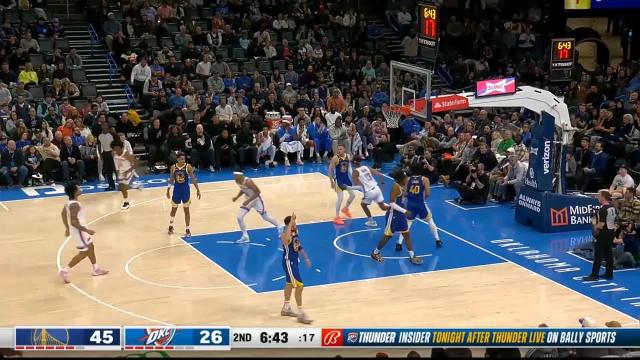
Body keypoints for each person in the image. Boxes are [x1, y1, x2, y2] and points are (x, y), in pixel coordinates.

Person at [58, 181, 109, 284]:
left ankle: (96, 269)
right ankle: (65, 270)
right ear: (75, 191)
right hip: (79, 231)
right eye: (78, 188)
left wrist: (67, 228)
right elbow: (73, 222)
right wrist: (87, 230)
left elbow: (63, 214)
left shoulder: (69, 203)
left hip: (79, 230)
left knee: (91, 246)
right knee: (84, 252)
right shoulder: (75, 205)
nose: (80, 189)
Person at [371, 170, 423, 265]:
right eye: (406, 178)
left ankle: (412, 256)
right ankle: (375, 253)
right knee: (388, 236)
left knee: (406, 235)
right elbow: (391, 203)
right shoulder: (395, 187)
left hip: (400, 215)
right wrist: (405, 211)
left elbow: (402, 197)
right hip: (393, 216)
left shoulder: (402, 186)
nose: (407, 179)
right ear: (401, 179)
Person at [280, 212, 313, 324]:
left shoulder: (295, 233)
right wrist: (290, 224)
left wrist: (306, 257)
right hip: (289, 263)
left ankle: (286, 307)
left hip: (294, 263)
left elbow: (299, 246)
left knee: (289, 284)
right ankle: (300, 313)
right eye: (294, 222)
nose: (296, 223)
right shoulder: (285, 234)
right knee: (300, 286)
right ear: (290, 224)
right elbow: (285, 241)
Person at [396, 172, 443, 251]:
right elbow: (428, 193)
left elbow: (405, 193)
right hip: (421, 204)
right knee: (430, 221)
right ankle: (438, 240)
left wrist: (410, 197)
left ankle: (399, 243)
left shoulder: (408, 179)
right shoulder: (425, 179)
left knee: (408, 223)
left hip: (410, 204)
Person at [232, 172, 283, 243]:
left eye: (236, 175)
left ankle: (280, 227)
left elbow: (258, 192)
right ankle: (245, 236)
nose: (234, 177)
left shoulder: (248, 181)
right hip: (248, 200)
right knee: (239, 217)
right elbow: (242, 189)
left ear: (241, 175)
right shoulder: (237, 181)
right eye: (234, 175)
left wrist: (248, 200)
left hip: (256, 199)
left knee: (265, 217)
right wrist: (236, 197)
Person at [583, 190, 617, 281]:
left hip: (604, 234)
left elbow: (601, 225)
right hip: (611, 232)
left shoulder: (602, 209)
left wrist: (594, 224)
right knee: (608, 253)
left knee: (598, 255)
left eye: (599, 195)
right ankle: (609, 274)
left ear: (603, 197)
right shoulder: (612, 207)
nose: (598, 197)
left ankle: (594, 275)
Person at [167, 152, 201, 237]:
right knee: (174, 209)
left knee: (186, 210)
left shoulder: (188, 166)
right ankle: (170, 226)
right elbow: (171, 179)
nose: (183, 160)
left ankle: (187, 229)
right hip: (176, 191)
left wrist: (198, 189)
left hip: (185, 191)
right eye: (181, 159)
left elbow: (193, 179)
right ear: (177, 159)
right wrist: (168, 190)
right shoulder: (173, 167)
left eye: (184, 159)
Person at [350, 155, 388, 227]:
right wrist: (382, 186)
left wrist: (365, 195)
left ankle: (371, 222)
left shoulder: (355, 172)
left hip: (370, 192)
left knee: (363, 205)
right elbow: (381, 175)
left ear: (354, 163)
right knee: (383, 207)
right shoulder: (366, 167)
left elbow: (360, 186)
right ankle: (397, 210)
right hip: (377, 189)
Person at [327, 144, 356, 225]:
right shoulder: (335, 158)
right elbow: (330, 170)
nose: (339, 150)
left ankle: (345, 209)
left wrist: (353, 176)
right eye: (338, 149)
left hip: (346, 179)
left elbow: (349, 167)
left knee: (353, 195)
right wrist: (331, 180)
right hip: (338, 180)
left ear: (344, 150)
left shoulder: (348, 156)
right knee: (340, 198)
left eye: (340, 149)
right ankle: (336, 217)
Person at [112, 139, 140, 210]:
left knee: (123, 186)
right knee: (120, 188)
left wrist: (128, 171)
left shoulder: (126, 153)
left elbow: (135, 163)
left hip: (129, 170)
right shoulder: (115, 155)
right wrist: (118, 175)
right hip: (122, 171)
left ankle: (126, 203)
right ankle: (134, 186)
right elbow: (117, 167)